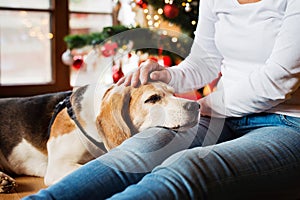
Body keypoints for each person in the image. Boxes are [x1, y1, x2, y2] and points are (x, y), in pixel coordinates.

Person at [24, 0, 300, 199]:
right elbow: (205, 62)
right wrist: (166, 75)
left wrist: (204, 106)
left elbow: (280, 80)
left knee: (187, 167)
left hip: (286, 124)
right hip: (220, 115)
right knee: (135, 153)